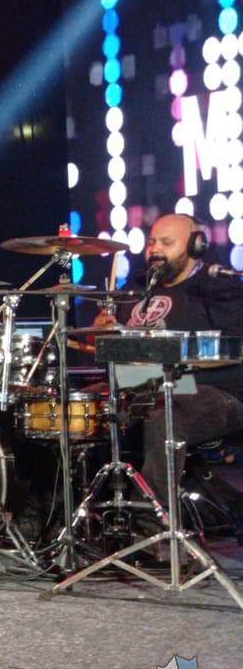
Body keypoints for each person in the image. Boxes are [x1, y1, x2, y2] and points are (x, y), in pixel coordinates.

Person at [92, 214, 243, 508]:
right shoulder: (135, 288)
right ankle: (56, 512)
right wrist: (101, 333)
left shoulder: (219, 288)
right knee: (72, 406)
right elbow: (110, 350)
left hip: (210, 390)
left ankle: (152, 522)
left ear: (196, 245)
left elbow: (236, 348)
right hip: (143, 384)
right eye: (151, 242)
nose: (155, 249)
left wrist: (170, 350)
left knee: (163, 412)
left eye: (166, 242)